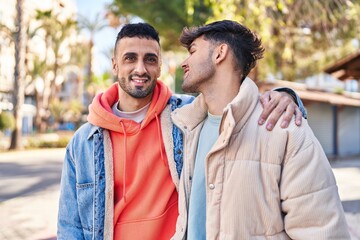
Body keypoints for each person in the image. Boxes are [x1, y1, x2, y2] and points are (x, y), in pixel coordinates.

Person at [57, 23, 305, 239]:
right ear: (114, 65)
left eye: (150, 59)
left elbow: (239, 104)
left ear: (160, 66)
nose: (141, 69)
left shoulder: (188, 114)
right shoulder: (84, 142)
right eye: (130, 58)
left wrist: (287, 96)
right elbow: (70, 225)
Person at [171, 20, 350, 240]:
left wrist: (289, 96)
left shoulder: (285, 129)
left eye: (193, 51)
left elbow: (322, 231)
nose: (184, 62)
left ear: (220, 53)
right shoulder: (185, 127)